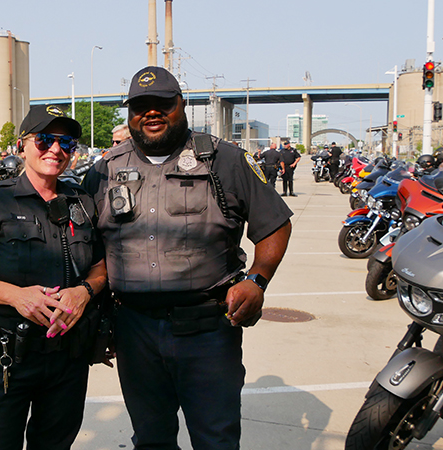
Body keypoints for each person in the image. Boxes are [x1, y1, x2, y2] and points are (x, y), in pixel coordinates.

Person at [82, 66, 292, 450]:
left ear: (182, 105)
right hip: (134, 331)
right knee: (151, 439)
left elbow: (275, 223)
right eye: (140, 106)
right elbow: (90, 247)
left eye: (163, 103)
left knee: (215, 439)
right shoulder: (103, 171)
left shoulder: (223, 160)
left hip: (207, 329)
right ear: (130, 114)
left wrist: (258, 279)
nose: (151, 113)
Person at [0, 105, 107, 450]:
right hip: (9, 358)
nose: (56, 150)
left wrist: (83, 292)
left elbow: (100, 266)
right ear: (22, 145)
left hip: (68, 360)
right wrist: (15, 296)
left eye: (66, 143)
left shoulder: (82, 201)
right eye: (45, 140)